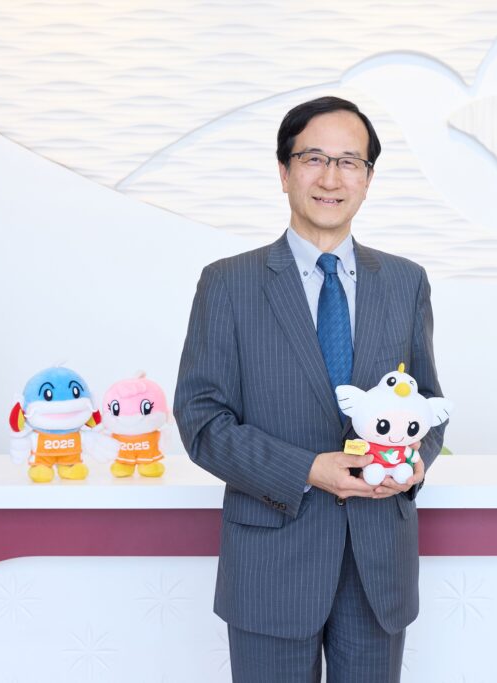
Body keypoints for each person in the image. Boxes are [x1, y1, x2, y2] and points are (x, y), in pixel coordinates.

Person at [174, 96, 447, 683]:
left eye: (349, 162)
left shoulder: (406, 282)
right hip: (271, 563)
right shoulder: (228, 284)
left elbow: (429, 405)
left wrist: (415, 463)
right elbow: (201, 421)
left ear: (368, 179)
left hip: (378, 563)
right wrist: (306, 469)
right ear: (284, 171)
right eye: (314, 158)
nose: (331, 178)